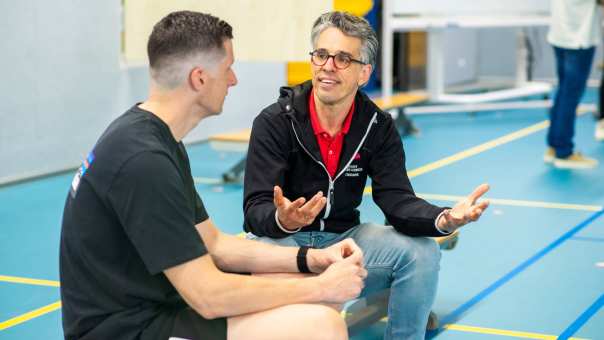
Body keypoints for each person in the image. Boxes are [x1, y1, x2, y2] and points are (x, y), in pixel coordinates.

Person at [59, 11, 368, 340]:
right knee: (322, 324)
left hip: (158, 306)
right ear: (199, 78)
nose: (233, 80)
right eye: (227, 69)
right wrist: (322, 285)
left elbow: (215, 244)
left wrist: (313, 259)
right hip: (125, 330)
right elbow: (208, 297)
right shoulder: (143, 161)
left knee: (314, 294)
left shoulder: (157, 139)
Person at [243, 11, 490, 340]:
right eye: (321, 55)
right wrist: (283, 219)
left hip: (346, 240)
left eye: (343, 58)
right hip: (283, 244)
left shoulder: (378, 126)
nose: (328, 66)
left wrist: (444, 219)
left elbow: (397, 200)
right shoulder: (275, 121)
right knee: (306, 302)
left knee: (421, 252)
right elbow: (255, 208)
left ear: (364, 73)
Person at [544, 0, 601, 169]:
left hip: (561, 35)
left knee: (563, 93)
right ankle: (564, 152)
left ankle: (555, 147)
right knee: (570, 95)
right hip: (578, 39)